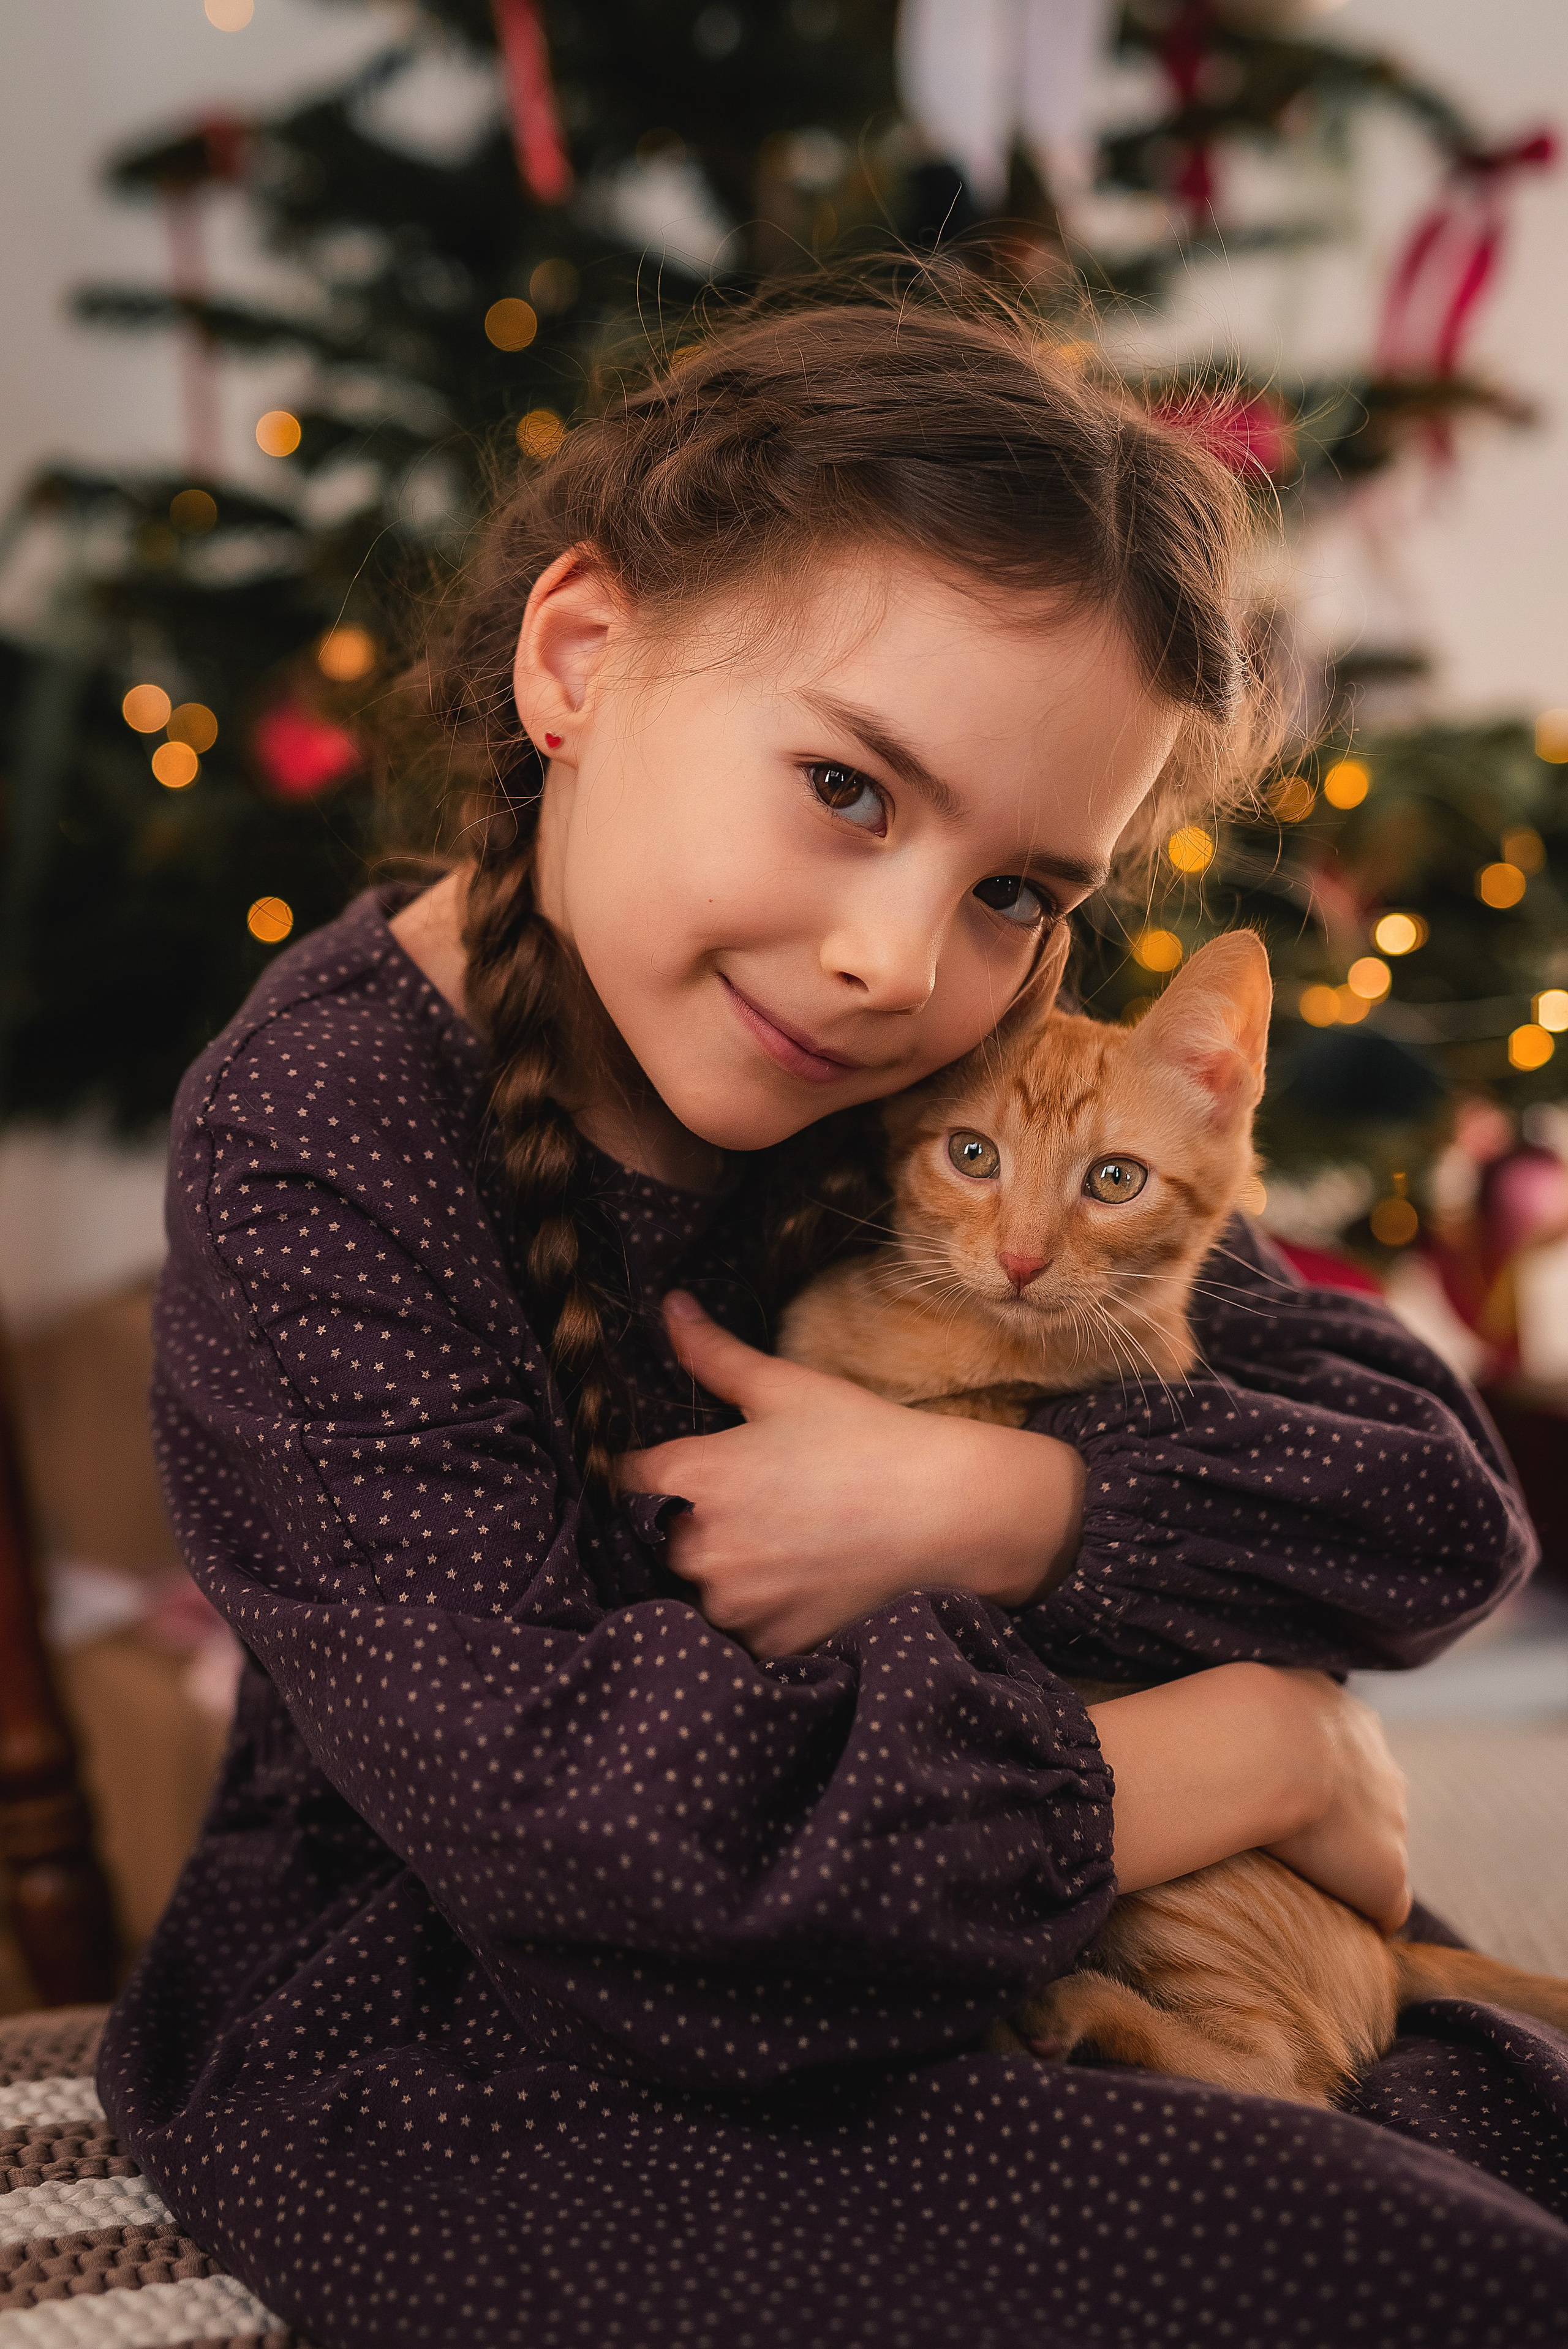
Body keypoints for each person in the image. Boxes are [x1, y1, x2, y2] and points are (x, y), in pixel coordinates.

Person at [100, 284, 1568, 2348]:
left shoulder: (946, 1090)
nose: (900, 959)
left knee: (1513, 2127)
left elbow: (1434, 1512)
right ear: (581, 656)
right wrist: (1246, 1744)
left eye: (1017, 891)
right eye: (852, 789)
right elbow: (598, 1840)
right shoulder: (323, 1130)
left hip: (1013, 1908)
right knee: (1401, 2271)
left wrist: (1004, 1503)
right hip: (488, 2016)